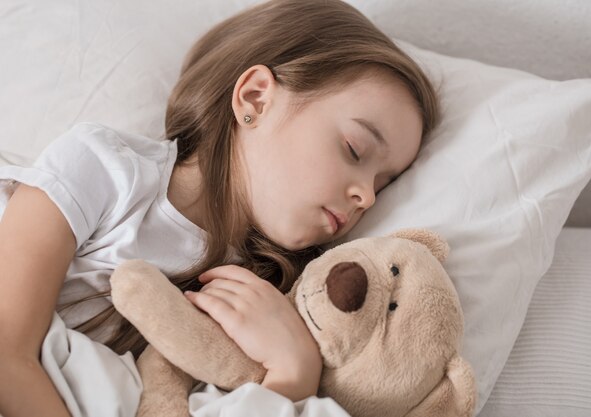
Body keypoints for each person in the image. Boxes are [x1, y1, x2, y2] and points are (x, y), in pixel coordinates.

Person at [0, 0, 439, 415]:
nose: (367, 196)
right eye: (355, 150)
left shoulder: (278, 297)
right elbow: (6, 352)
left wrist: (294, 374)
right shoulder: (103, 169)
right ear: (255, 99)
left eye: (385, 184)